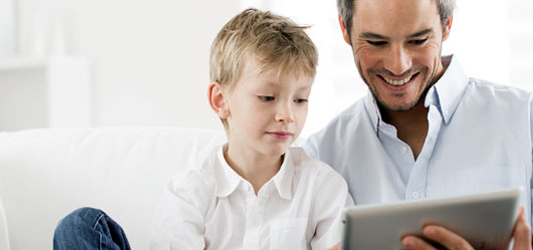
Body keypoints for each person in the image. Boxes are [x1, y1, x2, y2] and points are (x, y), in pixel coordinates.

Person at [303, 0, 533, 249]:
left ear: (447, 25)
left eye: (418, 40)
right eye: (376, 42)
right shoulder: (320, 157)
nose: (399, 65)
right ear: (345, 28)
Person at [53, 8, 352, 250]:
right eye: (267, 98)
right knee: (79, 226)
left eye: (300, 100)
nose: (287, 114)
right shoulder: (190, 194)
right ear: (221, 101)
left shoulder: (322, 187)